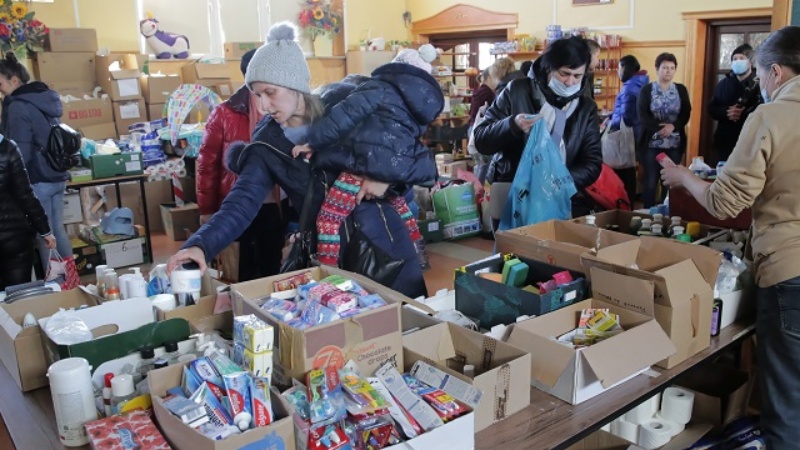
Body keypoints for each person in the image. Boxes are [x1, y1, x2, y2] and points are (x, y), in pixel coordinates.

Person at [167, 22, 429, 298]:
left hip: (386, 243)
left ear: (294, 84)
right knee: (341, 333)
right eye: (257, 95)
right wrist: (200, 244)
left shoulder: (347, 109)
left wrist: (385, 179)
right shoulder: (267, 144)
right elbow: (240, 203)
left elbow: (408, 156)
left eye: (271, 92)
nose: (263, 106)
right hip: (328, 256)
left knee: (406, 323)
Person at [660, 26, 800, 450]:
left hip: (790, 270)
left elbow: (725, 202)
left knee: (788, 404)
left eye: (758, 75)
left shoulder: (772, 115)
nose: (758, 84)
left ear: (776, 71)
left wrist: (684, 177)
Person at [292, 45, 442, 267]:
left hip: (362, 164)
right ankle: (419, 255)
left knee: (329, 219)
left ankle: (329, 270)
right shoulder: (419, 108)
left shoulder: (378, 88)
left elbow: (343, 116)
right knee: (403, 210)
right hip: (394, 170)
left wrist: (313, 141)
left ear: (395, 68)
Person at [473, 36, 602, 216]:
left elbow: (592, 162)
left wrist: (557, 182)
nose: (570, 82)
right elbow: (481, 140)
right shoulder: (517, 90)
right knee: (512, 244)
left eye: (577, 76)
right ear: (549, 67)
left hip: (559, 198)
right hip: (512, 193)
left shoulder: (585, 107)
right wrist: (513, 125)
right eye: (564, 74)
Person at [195, 48, 289, 281]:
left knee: (274, 264)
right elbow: (207, 165)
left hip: (276, 204)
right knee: (242, 266)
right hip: (237, 198)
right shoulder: (225, 113)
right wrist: (207, 210)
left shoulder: (284, 108)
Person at [0, 52, 72, 276]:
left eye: (0, 82)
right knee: (57, 231)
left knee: (45, 236)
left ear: (14, 80)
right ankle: (70, 279)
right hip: (56, 175)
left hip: (37, 178)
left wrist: (15, 181)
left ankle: (56, 283)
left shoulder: (17, 106)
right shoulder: (42, 98)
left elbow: (20, 150)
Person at [0, 135, 55, 290]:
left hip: (13, 236)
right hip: (14, 237)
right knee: (19, 296)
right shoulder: (8, 148)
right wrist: (45, 231)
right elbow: (25, 194)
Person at [637, 52, 691, 207]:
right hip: (651, 143)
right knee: (650, 181)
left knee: (670, 181)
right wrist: (660, 129)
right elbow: (643, 115)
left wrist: (673, 126)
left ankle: (668, 211)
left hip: (674, 143)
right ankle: (648, 213)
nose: (668, 71)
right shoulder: (647, 90)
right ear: (657, 69)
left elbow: (686, 112)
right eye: (665, 67)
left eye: (672, 68)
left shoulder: (680, 89)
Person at [708, 43, 761, 165]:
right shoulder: (723, 84)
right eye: (735, 59)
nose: (738, 61)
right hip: (723, 140)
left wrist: (743, 113)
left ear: (751, 62)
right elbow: (712, 108)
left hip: (749, 140)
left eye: (742, 59)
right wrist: (727, 112)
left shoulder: (758, 83)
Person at [608, 55, 649, 203]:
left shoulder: (629, 88)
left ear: (625, 68)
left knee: (622, 169)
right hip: (638, 133)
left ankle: (622, 202)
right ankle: (628, 200)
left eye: (619, 68)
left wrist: (612, 124)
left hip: (626, 135)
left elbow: (627, 116)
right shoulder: (642, 83)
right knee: (630, 168)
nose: (618, 72)